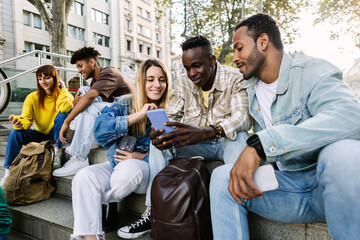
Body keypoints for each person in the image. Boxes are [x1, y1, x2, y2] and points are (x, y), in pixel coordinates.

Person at [210, 13, 360, 240]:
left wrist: (262, 145)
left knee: (343, 153)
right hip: (287, 191)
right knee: (223, 177)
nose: (235, 57)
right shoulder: (249, 88)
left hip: (327, 188)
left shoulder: (312, 70)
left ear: (263, 42)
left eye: (239, 48)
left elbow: (350, 117)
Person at [118, 35, 252, 239]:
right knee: (159, 145)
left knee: (240, 137)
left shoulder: (234, 78)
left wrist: (210, 131)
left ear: (212, 61)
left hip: (225, 141)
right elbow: (171, 116)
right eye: (187, 67)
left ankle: (237, 204)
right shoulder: (183, 83)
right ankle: (153, 211)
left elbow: (243, 118)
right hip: (194, 146)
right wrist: (160, 133)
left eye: (197, 66)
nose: (191, 73)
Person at [70, 59, 170, 240]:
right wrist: (137, 115)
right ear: (141, 81)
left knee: (129, 168)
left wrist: (142, 156)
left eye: (162, 79)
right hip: (114, 165)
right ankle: (91, 238)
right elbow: (100, 131)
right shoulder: (124, 103)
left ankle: (100, 199)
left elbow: (173, 151)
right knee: (83, 178)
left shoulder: (172, 109)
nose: (157, 85)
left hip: (145, 172)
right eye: (151, 79)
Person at [53, 47, 134, 177]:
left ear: (91, 62)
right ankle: (87, 144)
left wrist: (67, 121)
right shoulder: (95, 81)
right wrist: (76, 102)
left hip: (127, 122)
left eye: (80, 66)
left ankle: (79, 158)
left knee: (89, 101)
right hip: (113, 121)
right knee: (84, 90)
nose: (79, 71)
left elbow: (91, 98)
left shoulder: (109, 72)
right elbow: (88, 98)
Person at [0, 65, 73, 186]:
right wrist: (19, 123)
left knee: (62, 115)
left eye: (47, 77)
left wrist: (63, 89)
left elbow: (65, 107)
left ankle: (57, 153)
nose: (43, 81)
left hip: (56, 135)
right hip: (39, 135)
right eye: (40, 78)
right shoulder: (32, 97)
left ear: (56, 79)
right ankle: (7, 174)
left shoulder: (64, 96)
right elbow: (27, 120)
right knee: (14, 133)